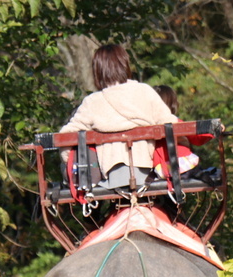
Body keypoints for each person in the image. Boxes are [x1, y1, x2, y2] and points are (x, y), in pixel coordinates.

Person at [60, 45, 178, 189]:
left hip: (111, 176)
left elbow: (65, 138)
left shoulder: (92, 102)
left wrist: (68, 161)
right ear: (125, 65)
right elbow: (172, 125)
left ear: (98, 70)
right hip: (148, 171)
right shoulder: (145, 92)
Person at [151, 85, 201, 178]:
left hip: (159, 169)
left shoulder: (147, 125)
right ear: (172, 104)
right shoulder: (175, 122)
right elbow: (197, 139)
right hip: (183, 166)